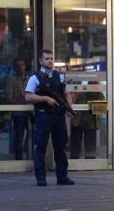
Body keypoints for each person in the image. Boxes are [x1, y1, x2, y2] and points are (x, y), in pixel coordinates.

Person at [25, 49, 75, 186]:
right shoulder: (35, 78)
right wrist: (46, 98)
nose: (50, 61)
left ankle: (62, 177)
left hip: (58, 116)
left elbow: (67, 95)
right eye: (47, 58)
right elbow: (28, 97)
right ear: (41, 61)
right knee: (41, 146)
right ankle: (41, 178)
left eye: (52, 58)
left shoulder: (60, 76)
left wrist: (68, 108)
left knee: (60, 147)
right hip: (43, 115)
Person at [71, 86, 105, 159]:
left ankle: (90, 161)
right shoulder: (82, 94)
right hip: (79, 121)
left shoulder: (100, 95)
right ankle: (74, 160)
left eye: (95, 83)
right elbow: (77, 107)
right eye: (91, 83)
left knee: (90, 144)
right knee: (76, 143)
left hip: (91, 123)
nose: (92, 86)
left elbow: (102, 107)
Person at [6, 58, 29, 160]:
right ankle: (18, 159)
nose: (20, 67)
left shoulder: (30, 79)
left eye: (22, 65)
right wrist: (21, 104)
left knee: (32, 137)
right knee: (19, 136)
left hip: (30, 112)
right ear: (14, 68)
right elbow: (9, 97)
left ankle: (31, 158)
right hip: (19, 113)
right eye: (17, 66)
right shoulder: (12, 80)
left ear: (25, 66)